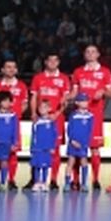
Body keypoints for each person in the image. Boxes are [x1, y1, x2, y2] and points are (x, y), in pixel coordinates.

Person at [70, 44, 111, 191]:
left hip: (95, 115)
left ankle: (95, 179)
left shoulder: (105, 72)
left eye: (93, 51)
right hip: (79, 116)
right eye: (87, 51)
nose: (90, 54)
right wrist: (65, 99)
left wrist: (103, 92)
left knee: (95, 148)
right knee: (77, 149)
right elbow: (74, 92)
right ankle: (75, 180)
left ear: (98, 54)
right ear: (84, 54)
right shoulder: (78, 72)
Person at [30, 52, 70, 190]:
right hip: (40, 118)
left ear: (58, 62)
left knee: (55, 149)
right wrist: (33, 113)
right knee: (37, 150)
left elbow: (65, 100)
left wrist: (57, 114)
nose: (52, 63)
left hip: (56, 119)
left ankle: (53, 179)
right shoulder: (38, 78)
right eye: (50, 60)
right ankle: (35, 179)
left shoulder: (64, 78)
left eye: (55, 60)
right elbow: (34, 97)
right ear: (45, 62)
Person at [0, 60, 28, 190]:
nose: (10, 69)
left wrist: (14, 115)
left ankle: (10, 180)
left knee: (12, 154)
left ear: (16, 70)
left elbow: (24, 104)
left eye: (13, 67)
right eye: (8, 67)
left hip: (13, 124)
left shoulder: (21, 86)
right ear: (2, 70)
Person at [66, 94, 95, 191]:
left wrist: (86, 142)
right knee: (71, 162)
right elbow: (69, 129)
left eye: (86, 101)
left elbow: (90, 130)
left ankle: (84, 184)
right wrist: (72, 140)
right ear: (77, 103)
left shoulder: (90, 116)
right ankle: (67, 183)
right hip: (73, 143)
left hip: (83, 143)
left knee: (84, 162)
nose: (85, 103)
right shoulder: (73, 115)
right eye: (82, 101)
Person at [29, 100, 59, 192]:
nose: (42, 109)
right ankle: (37, 182)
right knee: (37, 166)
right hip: (38, 148)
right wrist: (32, 147)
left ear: (49, 109)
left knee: (45, 166)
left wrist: (53, 147)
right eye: (40, 107)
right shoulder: (36, 122)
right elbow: (33, 135)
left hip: (47, 148)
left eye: (45, 107)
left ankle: (44, 182)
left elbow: (54, 135)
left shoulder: (52, 122)